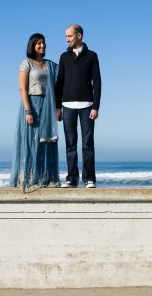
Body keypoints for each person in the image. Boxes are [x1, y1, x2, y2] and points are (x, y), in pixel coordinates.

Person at [10, 33, 61, 190]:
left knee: (46, 142)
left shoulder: (50, 65)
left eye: (44, 43)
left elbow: (61, 83)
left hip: (48, 106)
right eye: (38, 43)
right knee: (31, 142)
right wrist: (28, 110)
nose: (42, 46)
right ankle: (29, 178)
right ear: (32, 46)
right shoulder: (26, 64)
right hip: (31, 104)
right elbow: (22, 88)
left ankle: (45, 177)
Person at [54, 24, 101, 188]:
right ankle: (72, 178)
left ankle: (89, 178)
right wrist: (57, 107)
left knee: (88, 143)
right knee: (70, 143)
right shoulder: (63, 57)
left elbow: (98, 82)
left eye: (69, 36)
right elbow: (59, 83)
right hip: (67, 106)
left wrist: (96, 106)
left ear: (79, 35)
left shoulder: (92, 56)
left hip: (88, 106)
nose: (66, 39)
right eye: (66, 36)